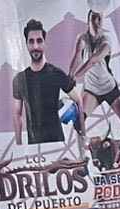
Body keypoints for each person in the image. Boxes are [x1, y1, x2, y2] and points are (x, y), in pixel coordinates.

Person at [12, 18, 81, 150]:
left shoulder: (56, 73)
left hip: (57, 144)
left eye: (39, 41)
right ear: (26, 44)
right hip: (34, 146)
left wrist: (82, 131)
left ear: (44, 43)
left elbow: (78, 100)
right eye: (31, 41)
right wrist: (18, 145)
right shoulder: (19, 79)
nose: (35, 46)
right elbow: (17, 114)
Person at [68, 9, 120, 134]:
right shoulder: (82, 38)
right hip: (91, 90)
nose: (97, 22)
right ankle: (86, 145)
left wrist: (75, 76)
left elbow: (92, 61)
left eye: (100, 19)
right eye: (94, 18)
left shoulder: (106, 40)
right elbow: (77, 57)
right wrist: (69, 76)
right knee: (78, 123)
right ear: (88, 20)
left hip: (109, 88)